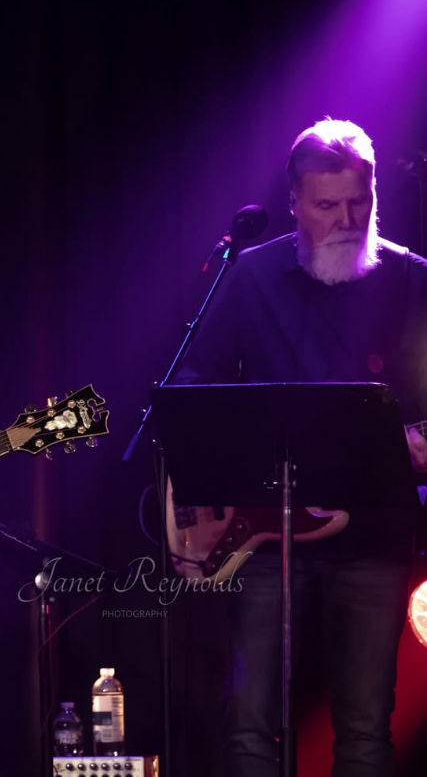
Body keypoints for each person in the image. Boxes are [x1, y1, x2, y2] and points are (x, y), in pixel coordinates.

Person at [177, 118, 427, 776]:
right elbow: (191, 385)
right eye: (326, 205)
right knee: (248, 721)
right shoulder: (251, 276)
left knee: (365, 727)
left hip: (373, 534)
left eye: (359, 201)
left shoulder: (411, 281)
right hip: (265, 534)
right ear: (294, 203)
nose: (346, 219)